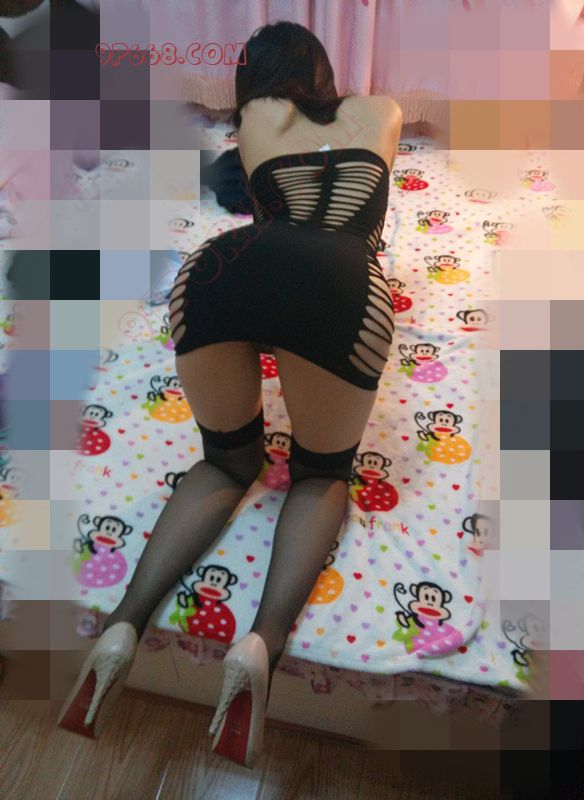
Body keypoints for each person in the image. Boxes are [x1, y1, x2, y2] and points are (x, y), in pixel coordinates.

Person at [57, 21, 403, 770]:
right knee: (319, 472)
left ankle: (123, 625)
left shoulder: (253, 118)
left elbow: (264, 205)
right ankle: (260, 645)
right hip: (340, 279)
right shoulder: (382, 111)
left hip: (221, 269)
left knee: (223, 461)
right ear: (321, 69)